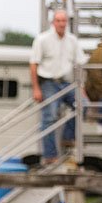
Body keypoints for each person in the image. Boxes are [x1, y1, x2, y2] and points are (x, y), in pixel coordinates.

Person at [30, 9, 87, 164]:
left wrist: (81, 87)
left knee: (83, 104)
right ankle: (50, 155)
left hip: (67, 83)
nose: (61, 24)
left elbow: (81, 64)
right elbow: (33, 64)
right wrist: (36, 88)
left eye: (64, 21)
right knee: (49, 117)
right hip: (48, 82)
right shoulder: (42, 39)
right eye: (58, 21)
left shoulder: (72, 40)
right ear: (53, 22)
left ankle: (67, 137)